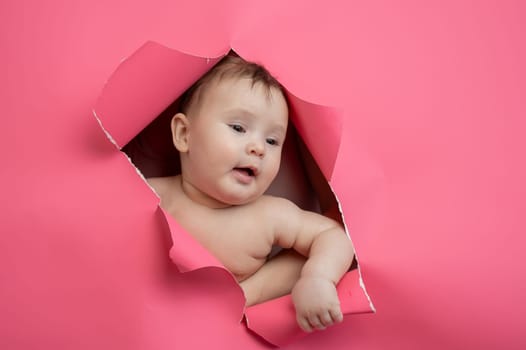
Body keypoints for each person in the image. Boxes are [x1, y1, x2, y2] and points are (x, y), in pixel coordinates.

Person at [147, 52, 354, 332]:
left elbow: (335, 234)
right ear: (184, 134)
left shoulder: (269, 215)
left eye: (272, 140)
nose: (258, 148)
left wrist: (317, 278)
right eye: (238, 128)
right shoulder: (151, 194)